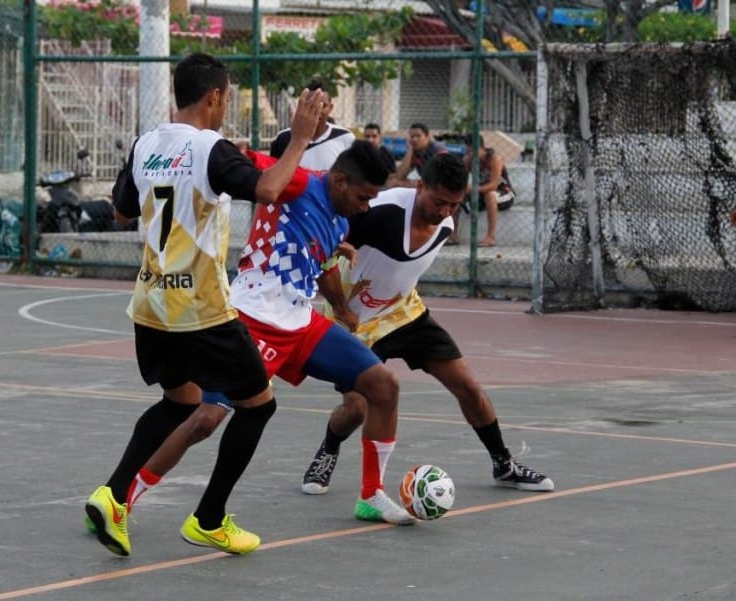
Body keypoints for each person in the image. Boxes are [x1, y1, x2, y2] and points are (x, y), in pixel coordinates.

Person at [84, 53, 326, 557]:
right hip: (200, 308)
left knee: (182, 402)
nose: (227, 105)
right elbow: (268, 188)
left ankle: (113, 495)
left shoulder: (145, 143)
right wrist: (300, 138)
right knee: (258, 405)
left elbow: (123, 210)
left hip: (151, 305)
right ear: (214, 96)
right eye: (228, 96)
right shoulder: (209, 148)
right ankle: (209, 519)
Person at [301, 152, 554, 498]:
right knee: (357, 407)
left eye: (454, 204)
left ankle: (503, 464)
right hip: (355, 319)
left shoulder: (447, 222)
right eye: (439, 202)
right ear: (420, 187)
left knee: (467, 385)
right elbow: (326, 256)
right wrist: (341, 308)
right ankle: (329, 448)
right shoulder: (380, 212)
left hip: (405, 311)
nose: (445, 212)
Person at [231, 139, 414, 526]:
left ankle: (372, 495)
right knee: (205, 416)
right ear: (340, 180)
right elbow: (249, 163)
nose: (366, 207)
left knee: (383, 385)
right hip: (254, 316)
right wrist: (234, 149)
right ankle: (122, 495)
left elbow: (324, 263)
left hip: (300, 321)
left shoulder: (342, 219)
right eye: (364, 197)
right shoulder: (299, 181)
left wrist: (343, 308)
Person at [270, 78, 356, 171]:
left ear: (330, 108)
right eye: (310, 105)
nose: (316, 109)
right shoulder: (283, 138)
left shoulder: (345, 137)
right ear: (301, 105)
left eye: (322, 105)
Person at [462, 133, 514, 248]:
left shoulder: (494, 159)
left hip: (503, 194)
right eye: (468, 152)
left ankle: (490, 237)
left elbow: (493, 186)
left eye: (473, 151)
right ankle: (453, 234)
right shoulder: (467, 160)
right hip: (481, 195)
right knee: (457, 194)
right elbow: (462, 182)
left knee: (490, 194)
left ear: (481, 148)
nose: (471, 155)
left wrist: (472, 189)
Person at [393, 122, 446, 187]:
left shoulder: (437, 149)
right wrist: (410, 150)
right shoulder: (415, 152)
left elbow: (443, 176)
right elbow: (399, 176)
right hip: (426, 184)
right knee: (394, 182)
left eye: (418, 136)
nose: (415, 139)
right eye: (412, 136)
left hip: (440, 185)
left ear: (427, 137)